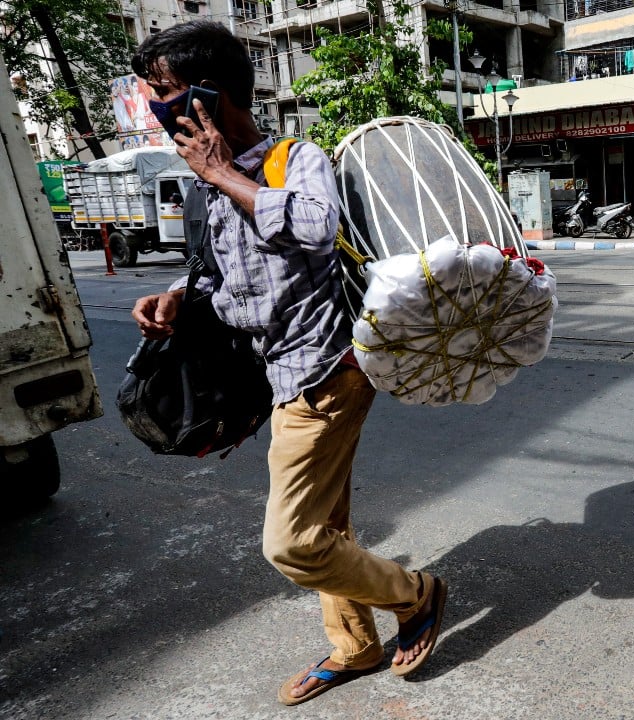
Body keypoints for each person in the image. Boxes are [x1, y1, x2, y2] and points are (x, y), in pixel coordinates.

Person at [128, 21, 447, 705]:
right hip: (278, 374)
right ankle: (354, 645)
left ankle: (415, 595)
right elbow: (217, 277)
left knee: (292, 543)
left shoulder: (293, 158)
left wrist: (221, 173)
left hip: (326, 371)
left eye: (167, 94)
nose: (161, 111)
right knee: (327, 525)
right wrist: (178, 297)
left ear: (210, 96)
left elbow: (313, 228)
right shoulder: (206, 187)